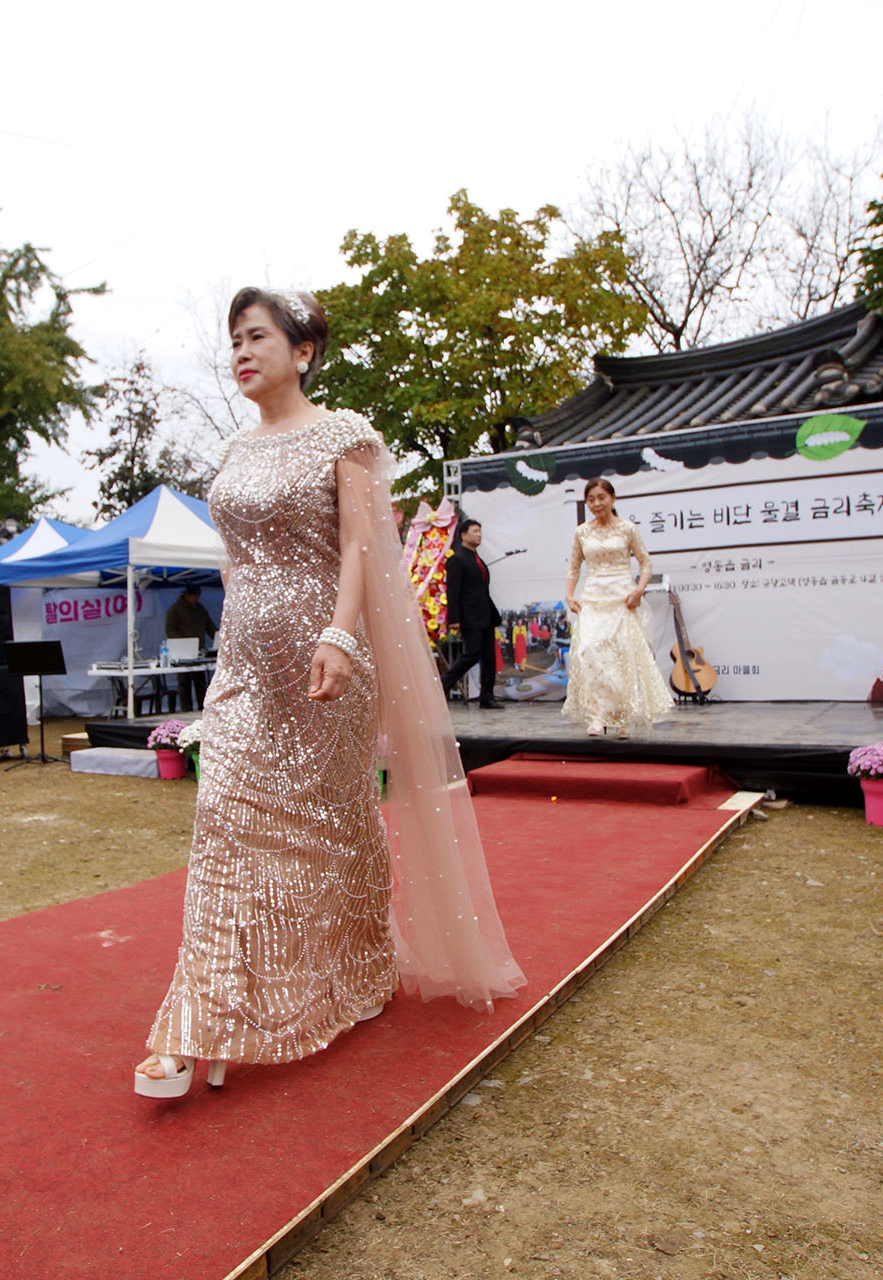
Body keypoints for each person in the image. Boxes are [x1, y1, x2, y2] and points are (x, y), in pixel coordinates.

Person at [134, 287, 523, 1098]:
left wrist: (341, 635)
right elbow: (234, 557)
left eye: (256, 337)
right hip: (246, 666)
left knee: (336, 823)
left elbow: (359, 550)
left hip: (328, 660)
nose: (241, 353)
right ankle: (201, 1018)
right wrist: (240, 626)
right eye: (234, 341)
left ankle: (361, 967)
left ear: (303, 350)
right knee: (222, 818)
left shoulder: (345, 436)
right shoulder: (235, 450)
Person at [562, 478, 675, 737]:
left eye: (601, 497)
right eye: (591, 499)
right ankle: (597, 715)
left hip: (622, 598)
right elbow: (574, 566)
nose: (596, 504)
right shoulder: (582, 532)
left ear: (612, 499)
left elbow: (646, 563)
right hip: (593, 598)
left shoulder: (627, 529)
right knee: (589, 651)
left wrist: (639, 590)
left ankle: (621, 716)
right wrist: (569, 595)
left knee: (621, 656)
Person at [442, 518, 504, 708]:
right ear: (463, 535)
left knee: (489, 657)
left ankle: (487, 697)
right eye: (475, 531)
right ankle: (442, 686)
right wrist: (454, 619)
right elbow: (452, 591)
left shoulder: (477, 559)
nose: (479, 535)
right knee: (471, 654)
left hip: (485, 615)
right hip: (469, 616)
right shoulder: (457, 559)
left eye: (480, 532)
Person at [163, 584, 217, 709]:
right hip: (182, 653)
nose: (196, 599)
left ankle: (203, 708)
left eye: (197, 596)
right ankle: (186, 709)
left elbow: (210, 627)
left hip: (198, 652)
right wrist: (183, 642)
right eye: (194, 596)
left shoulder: (200, 609)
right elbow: (170, 630)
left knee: (200, 682)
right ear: (187, 595)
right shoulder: (175, 609)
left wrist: (219, 637)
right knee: (184, 683)